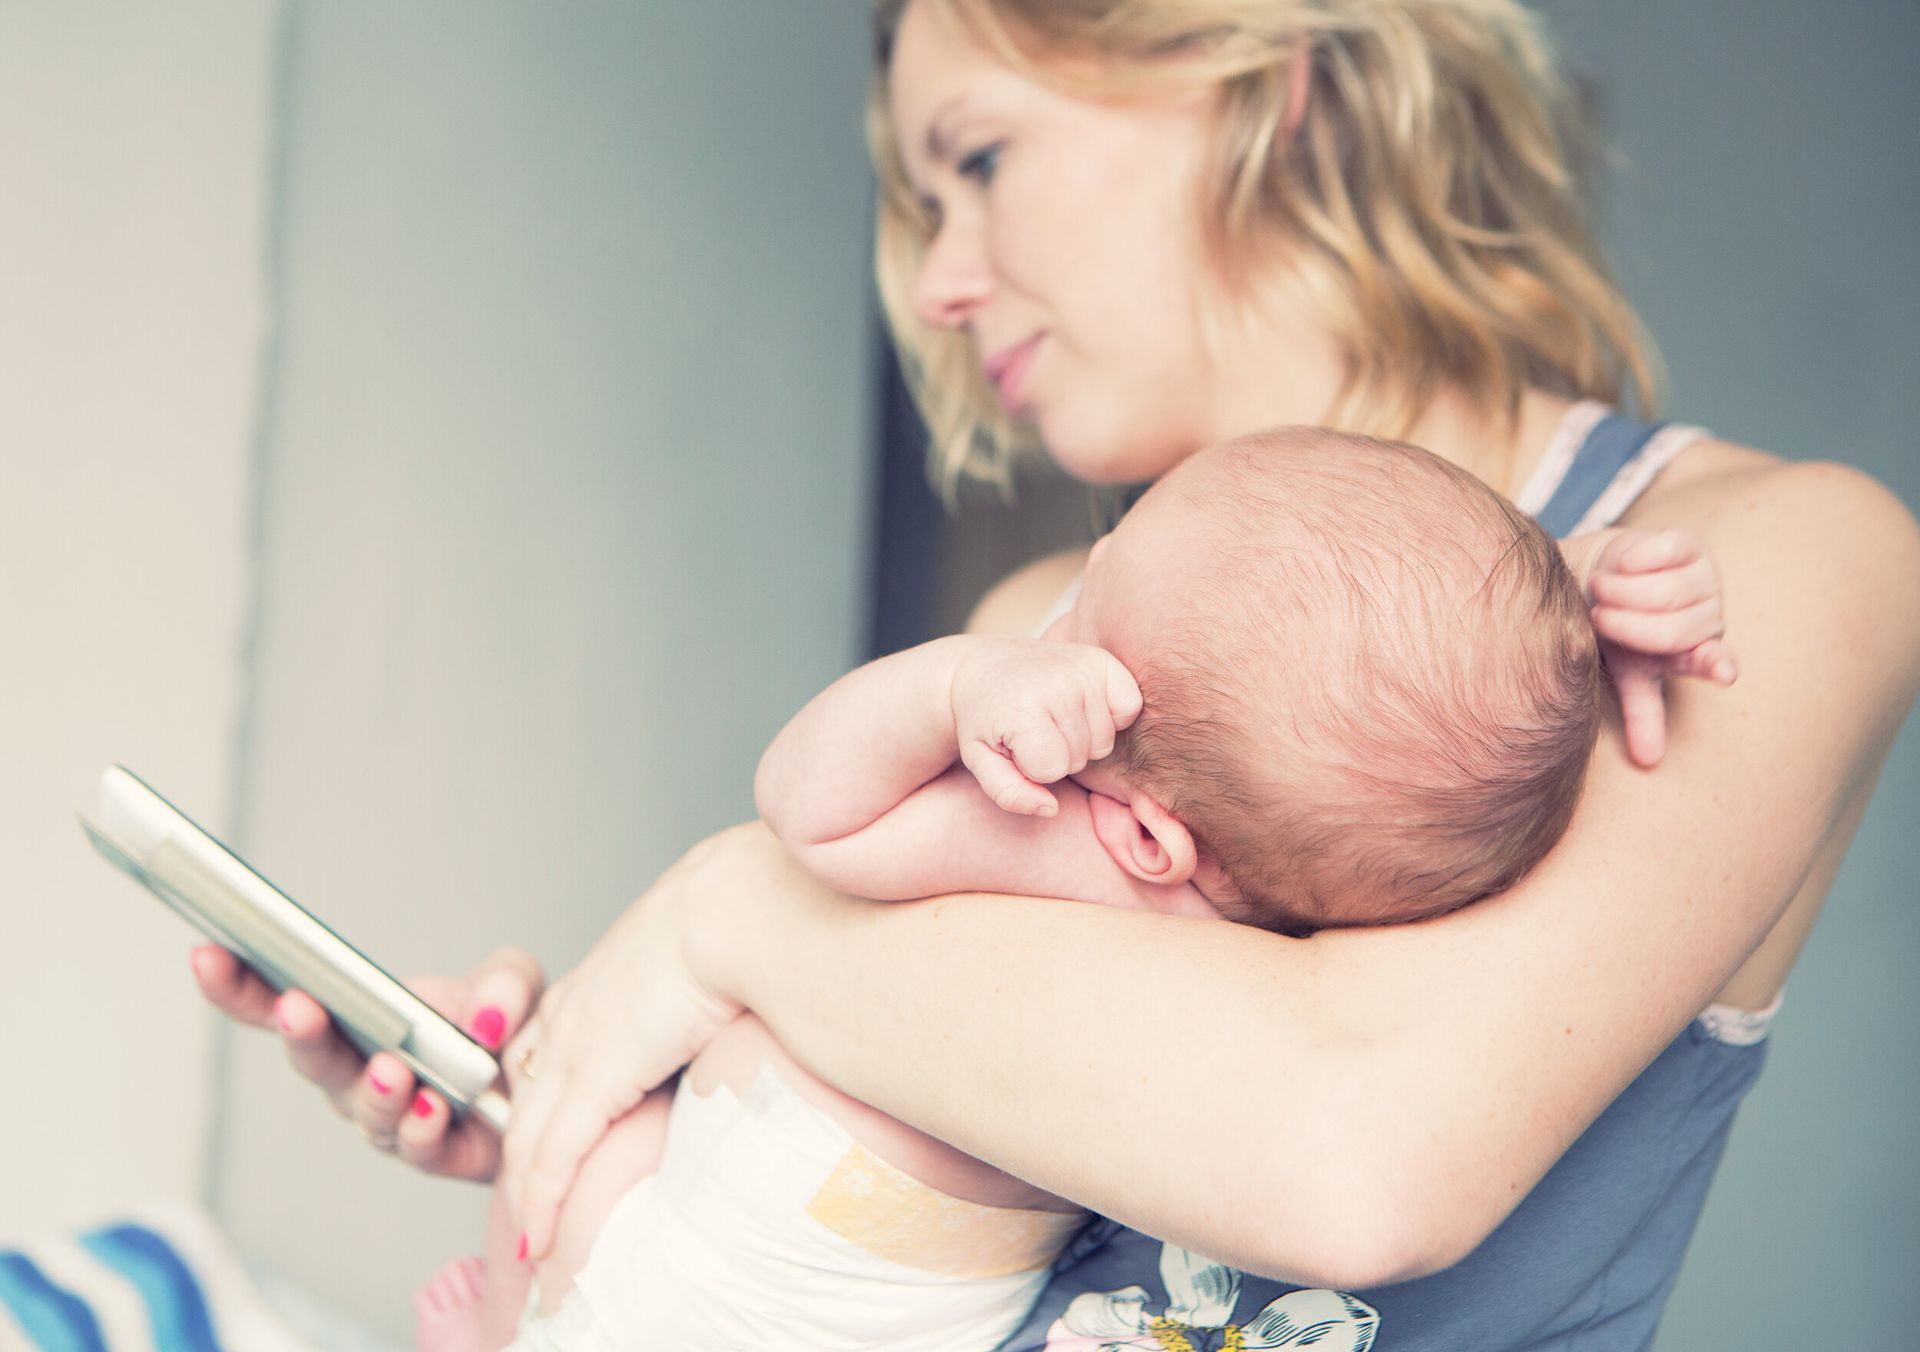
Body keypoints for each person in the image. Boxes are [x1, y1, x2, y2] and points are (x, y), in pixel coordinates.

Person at [195, 0, 1920, 1348]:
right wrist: (584, 1088)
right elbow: (897, 1115)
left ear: (1258, 82)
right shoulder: (1049, 622)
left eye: (982, 159)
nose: (942, 285)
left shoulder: (1765, 559)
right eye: (923, 204)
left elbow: (1357, 1157)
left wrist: (728, 916)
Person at [414, 427, 1734, 1351]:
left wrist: (954, 684)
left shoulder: (1073, 854)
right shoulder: (1254, 911)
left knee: (584, 1186)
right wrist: (1562, 615)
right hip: (805, 1273)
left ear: (1149, 835)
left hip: (736, 1297)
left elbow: (808, 810)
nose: (1045, 629)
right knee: (594, 1164)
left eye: (1083, 622)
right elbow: (1415, 698)